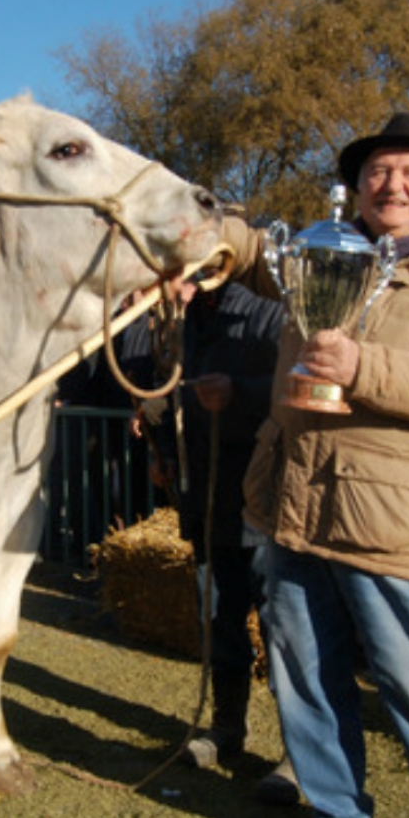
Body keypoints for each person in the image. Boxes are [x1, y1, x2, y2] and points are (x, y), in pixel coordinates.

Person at [243, 112, 409, 818]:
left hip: (391, 528)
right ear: (357, 188)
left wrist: (364, 366)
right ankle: (336, 811)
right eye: (376, 172)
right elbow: (244, 252)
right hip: (294, 511)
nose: (390, 184)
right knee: (306, 688)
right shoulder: (315, 254)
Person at [148, 259, 292, 784]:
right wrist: (164, 449)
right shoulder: (183, 326)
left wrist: (238, 393)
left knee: (284, 628)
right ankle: (227, 727)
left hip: (261, 503)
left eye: (180, 271)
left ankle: (300, 752)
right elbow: (166, 394)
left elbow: (293, 393)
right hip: (205, 502)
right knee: (220, 619)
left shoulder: (268, 314)